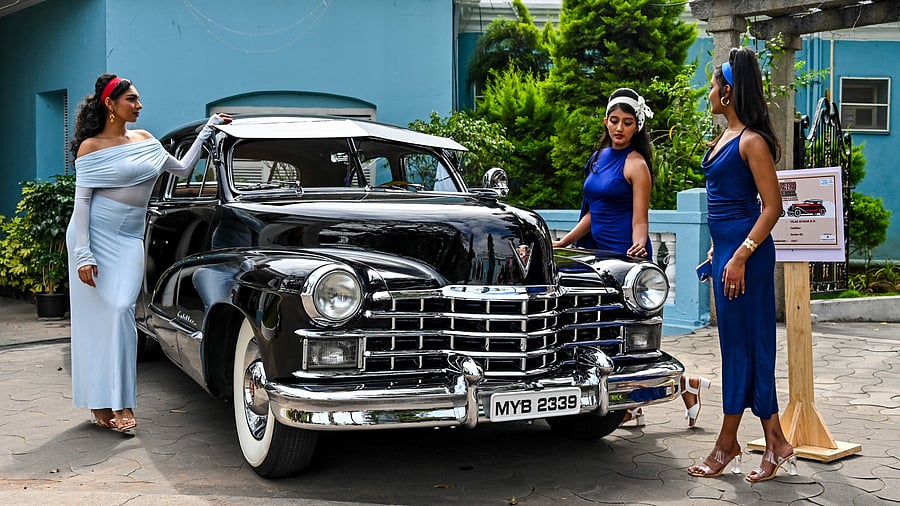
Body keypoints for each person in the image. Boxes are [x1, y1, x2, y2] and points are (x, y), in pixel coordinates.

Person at [66, 73, 231, 432]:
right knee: (97, 321)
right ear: (111, 104)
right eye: (132, 99)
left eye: (139, 99)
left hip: (128, 239)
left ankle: (123, 400)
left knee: (123, 308)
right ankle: (100, 404)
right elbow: (82, 205)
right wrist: (83, 254)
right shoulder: (90, 148)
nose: (139, 106)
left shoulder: (146, 140)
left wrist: (209, 128)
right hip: (93, 237)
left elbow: (183, 168)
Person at [551, 88, 711, 429]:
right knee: (599, 332)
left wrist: (639, 246)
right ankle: (630, 406)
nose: (619, 128)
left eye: (627, 122)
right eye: (614, 121)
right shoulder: (598, 158)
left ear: (637, 126)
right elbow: (593, 212)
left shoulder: (636, 164)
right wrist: (564, 242)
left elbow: (641, 218)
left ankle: (688, 385)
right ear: (606, 121)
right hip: (596, 255)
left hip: (625, 256)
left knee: (630, 341)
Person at [686, 47, 796, 483]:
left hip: (746, 259)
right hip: (728, 256)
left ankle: (727, 443)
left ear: (728, 92)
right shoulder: (725, 138)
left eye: (713, 86)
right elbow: (725, 206)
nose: (709, 92)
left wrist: (740, 254)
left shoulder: (751, 141)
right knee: (740, 347)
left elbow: (773, 207)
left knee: (746, 349)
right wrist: (720, 250)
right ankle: (776, 441)